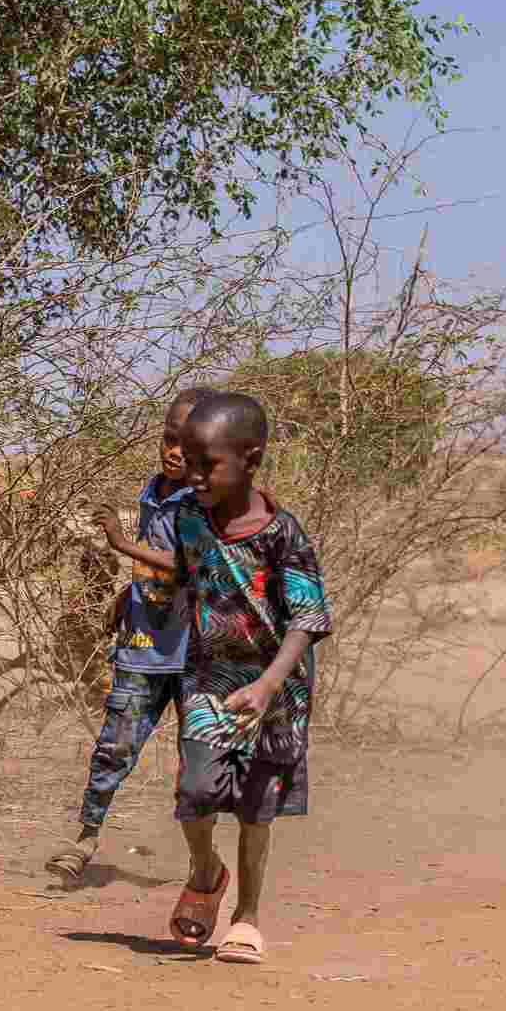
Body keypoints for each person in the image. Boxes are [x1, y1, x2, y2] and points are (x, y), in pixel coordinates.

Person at [163, 391, 332, 965]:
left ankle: (247, 917)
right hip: (208, 677)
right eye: (187, 460)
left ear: (251, 459)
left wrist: (267, 686)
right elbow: (192, 580)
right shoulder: (188, 517)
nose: (193, 474)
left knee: (258, 806)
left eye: (206, 463)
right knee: (196, 791)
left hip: (277, 689)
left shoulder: (284, 534)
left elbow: (308, 618)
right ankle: (207, 872)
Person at [43, 387, 212, 886]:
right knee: (114, 745)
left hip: (196, 649)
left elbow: (195, 566)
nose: (174, 450)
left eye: (187, 444)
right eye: (168, 438)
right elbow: (157, 557)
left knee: (198, 760)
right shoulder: (153, 489)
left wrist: (122, 544)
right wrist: (128, 590)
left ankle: (202, 864)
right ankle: (85, 840)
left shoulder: (206, 500)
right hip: (144, 641)